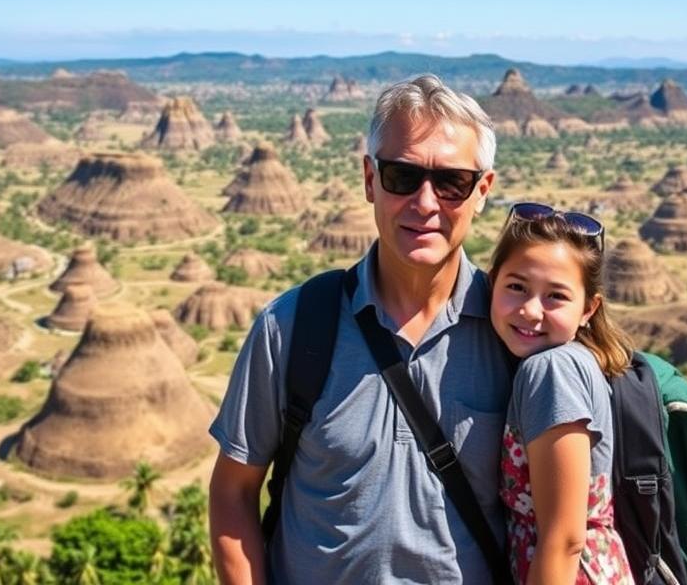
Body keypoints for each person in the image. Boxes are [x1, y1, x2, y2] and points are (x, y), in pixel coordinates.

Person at [208, 74, 514, 584]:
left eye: (451, 183)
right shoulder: (291, 330)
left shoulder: (515, 337)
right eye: (402, 176)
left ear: (482, 191)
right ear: (370, 179)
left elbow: (563, 524)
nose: (425, 203)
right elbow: (232, 492)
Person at [487, 203, 636, 585]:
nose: (531, 310)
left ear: (589, 308)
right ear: (492, 283)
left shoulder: (551, 371)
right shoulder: (576, 361)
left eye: (555, 296)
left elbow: (564, 539)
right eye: (517, 287)